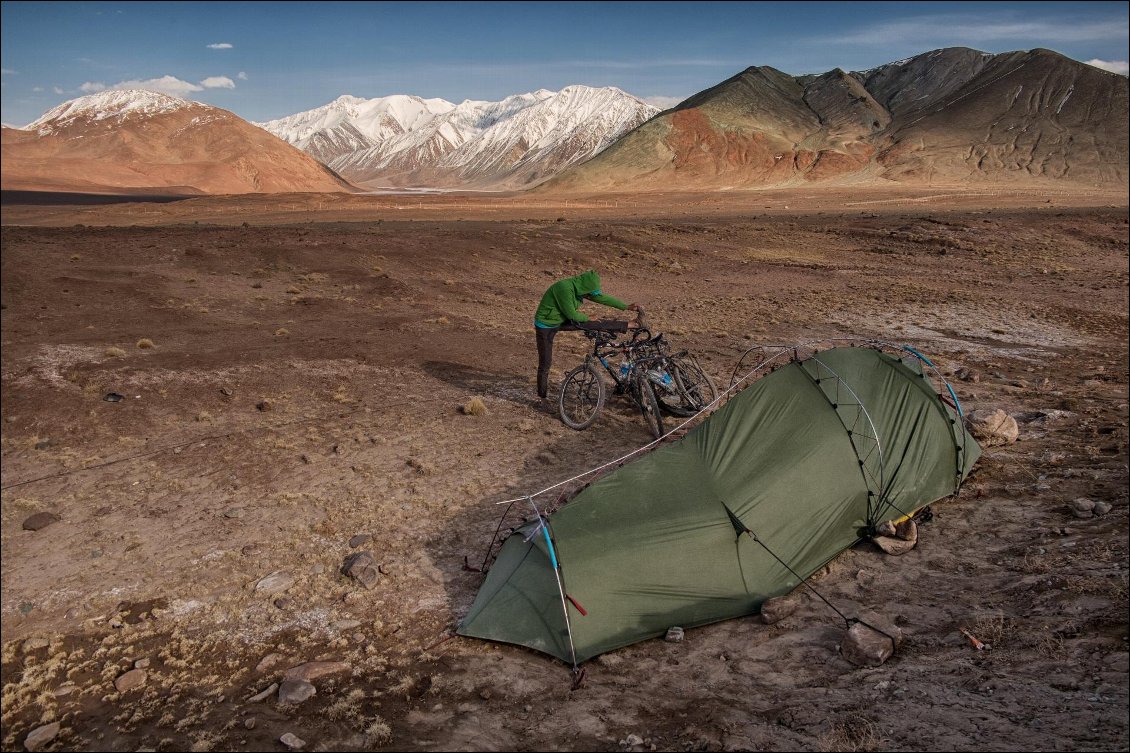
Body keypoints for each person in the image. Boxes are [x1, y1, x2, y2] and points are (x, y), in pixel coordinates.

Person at [534, 268, 639, 399]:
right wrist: (588, 317)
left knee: (597, 323)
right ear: (585, 288)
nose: (590, 297)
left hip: (562, 319)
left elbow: (602, 298)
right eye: (589, 294)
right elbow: (572, 314)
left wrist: (626, 306)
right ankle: (541, 397)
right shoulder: (564, 288)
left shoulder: (582, 288)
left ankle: (629, 325)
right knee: (545, 363)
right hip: (546, 326)